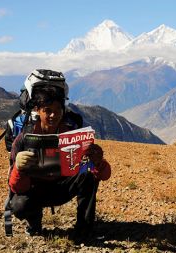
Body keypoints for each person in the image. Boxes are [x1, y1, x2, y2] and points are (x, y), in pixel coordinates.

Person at [8, 70, 111, 237]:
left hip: (63, 187)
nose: (53, 115)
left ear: (63, 110)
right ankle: (34, 224)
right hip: (35, 191)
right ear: (37, 110)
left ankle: (84, 229)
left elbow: (102, 176)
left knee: (88, 176)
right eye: (47, 110)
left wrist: (98, 162)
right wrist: (19, 168)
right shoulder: (22, 140)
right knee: (19, 205)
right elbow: (16, 187)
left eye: (57, 109)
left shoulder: (74, 134)